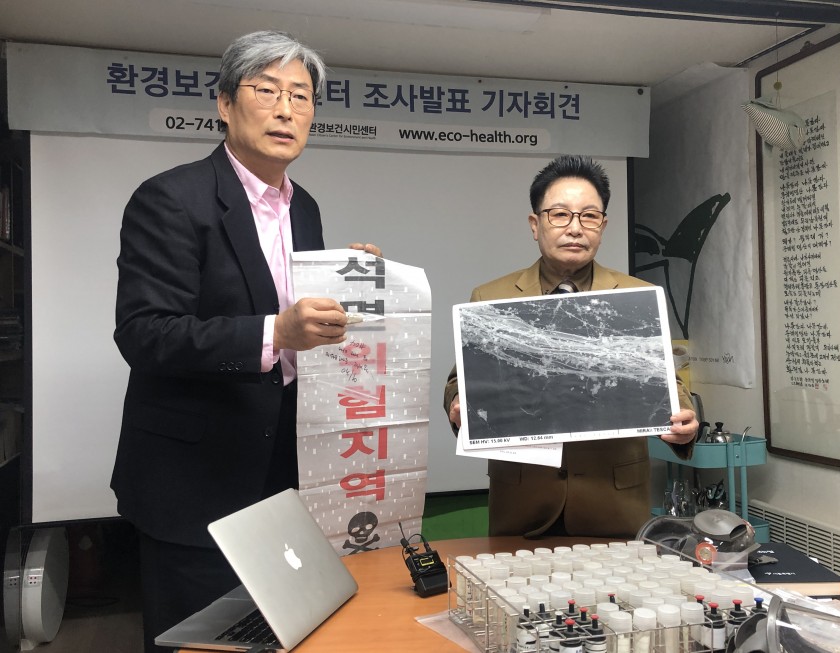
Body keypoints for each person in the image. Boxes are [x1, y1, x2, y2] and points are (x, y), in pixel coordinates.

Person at [111, 30, 380, 652]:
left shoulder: (304, 208)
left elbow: (295, 320)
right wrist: (276, 332)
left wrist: (352, 282)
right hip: (194, 480)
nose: (286, 110)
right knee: (198, 642)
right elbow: (145, 334)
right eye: (267, 91)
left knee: (278, 633)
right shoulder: (170, 198)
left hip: (283, 472)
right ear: (225, 104)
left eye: (301, 96)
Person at [444, 154, 698, 539]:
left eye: (589, 216)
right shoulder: (491, 297)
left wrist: (687, 420)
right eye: (560, 215)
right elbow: (460, 380)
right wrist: (459, 403)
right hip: (522, 500)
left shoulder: (638, 297)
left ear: (603, 226)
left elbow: (667, 383)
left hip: (613, 502)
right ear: (535, 224)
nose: (575, 228)